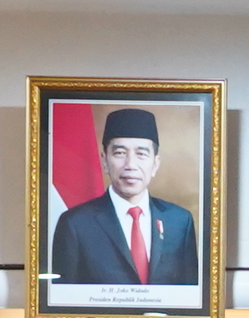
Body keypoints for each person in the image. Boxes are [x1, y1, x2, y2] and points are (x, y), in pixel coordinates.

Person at [52, 107, 202, 292]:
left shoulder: (179, 221)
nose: (130, 165)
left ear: (155, 164)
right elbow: (63, 299)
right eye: (120, 153)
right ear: (105, 161)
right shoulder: (75, 224)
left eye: (141, 154)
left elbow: (191, 295)